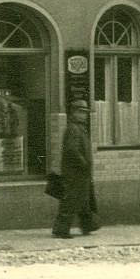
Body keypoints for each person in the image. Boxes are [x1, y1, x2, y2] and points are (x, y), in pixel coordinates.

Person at [52, 99, 99, 238]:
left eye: (85, 113)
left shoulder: (79, 129)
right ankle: (61, 230)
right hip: (74, 173)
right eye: (82, 112)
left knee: (84, 201)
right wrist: (83, 162)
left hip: (81, 173)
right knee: (71, 201)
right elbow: (72, 150)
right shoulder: (73, 129)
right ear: (74, 113)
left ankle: (88, 226)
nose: (85, 115)